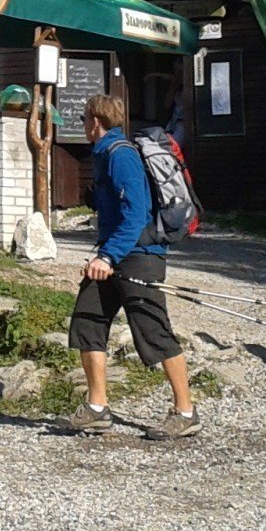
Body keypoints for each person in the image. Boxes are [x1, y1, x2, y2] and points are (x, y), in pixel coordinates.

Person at [66, 93, 199, 439]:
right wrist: (105, 254)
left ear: (95, 122)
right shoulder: (105, 154)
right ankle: (97, 408)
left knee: (153, 331)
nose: (82, 125)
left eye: (83, 119)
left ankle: (186, 411)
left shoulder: (120, 155)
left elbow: (136, 215)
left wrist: (107, 257)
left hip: (141, 254)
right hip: (114, 253)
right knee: (88, 320)